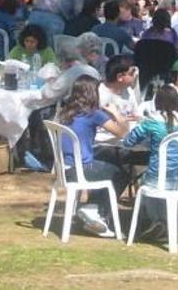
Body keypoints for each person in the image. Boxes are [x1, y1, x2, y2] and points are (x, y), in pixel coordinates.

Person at [56, 75, 128, 237]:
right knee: (121, 173)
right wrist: (116, 113)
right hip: (79, 169)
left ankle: (93, 211)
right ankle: (95, 209)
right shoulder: (93, 113)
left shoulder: (65, 111)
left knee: (104, 165)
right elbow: (123, 133)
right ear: (93, 93)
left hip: (63, 168)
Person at [122, 84, 178, 237]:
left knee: (145, 182)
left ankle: (156, 219)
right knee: (157, 181)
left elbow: (128, 141)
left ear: (157, 102)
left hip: (158, 177)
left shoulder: (152, 122)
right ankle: (163, 221)